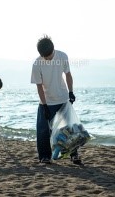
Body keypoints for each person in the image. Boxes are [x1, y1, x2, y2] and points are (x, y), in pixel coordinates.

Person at [31, 35, 82, 165]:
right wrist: (44, 105)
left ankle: (74, 154)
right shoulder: (37, 64)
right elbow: (39, 86)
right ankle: (45, 157)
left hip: (63, 99)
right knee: (42, 130)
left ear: (53, 50)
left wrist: (71, 92)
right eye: (44, 56)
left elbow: (68, 75)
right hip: (46, 101)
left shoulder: (62, 56)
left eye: (48, 56)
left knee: (69, 128)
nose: (47, 58)